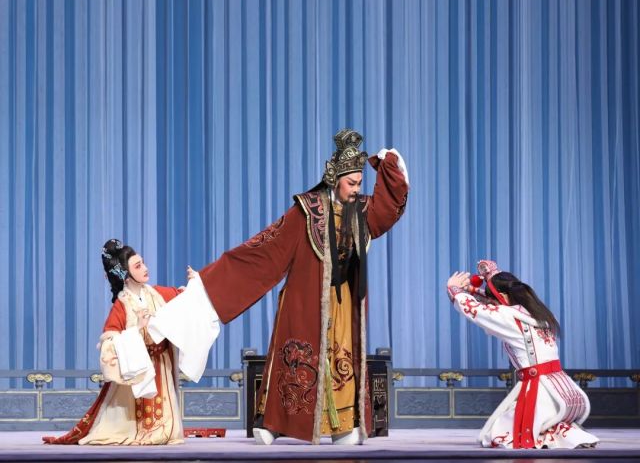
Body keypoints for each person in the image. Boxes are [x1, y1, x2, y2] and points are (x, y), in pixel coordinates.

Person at [150, 129, 409, 445]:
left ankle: (342, 424)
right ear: (334, 179)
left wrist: (387, 162)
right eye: (351, 184)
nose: (356, 190)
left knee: (343, 362)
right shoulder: (307, 212)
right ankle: (275, 422)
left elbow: (389, 206)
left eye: (359, 184)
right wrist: (210, 279)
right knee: (298, 362)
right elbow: (263, 252)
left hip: (345, 306)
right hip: (307, 302)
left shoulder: (362, 212)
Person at [43, 239, 193, 445]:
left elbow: (185, 300)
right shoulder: (122, 305)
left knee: (165, 426)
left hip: (161, 364)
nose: (145, 268)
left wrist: (194, 283)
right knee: (129, 423)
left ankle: (160, 430)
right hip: (138, 368)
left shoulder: (157, 293)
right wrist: (137, 330)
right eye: (138, 266)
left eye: (143, 263)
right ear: (126, 274)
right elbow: (109, 343)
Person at [446, 260, 599, 449]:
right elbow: (495, 305)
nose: (491, 303)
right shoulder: (539, 314)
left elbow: (480, 311)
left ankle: (559, 434)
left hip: (539, 391)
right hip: (561, 388)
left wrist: (454, 289)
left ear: (503, 296)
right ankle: (562, 431)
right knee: (513, 424)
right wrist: (473, 289)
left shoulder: (509, 317)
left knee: (498, 434)